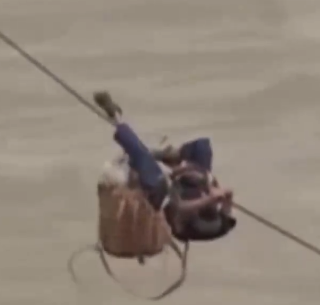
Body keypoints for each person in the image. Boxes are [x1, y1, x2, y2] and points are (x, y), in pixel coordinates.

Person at [93, 91, 237, 242]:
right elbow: (227, 197)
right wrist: (220, 191)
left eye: (212, 205)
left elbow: (179, 207)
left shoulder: (190, 227)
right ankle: (172, 155)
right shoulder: (222, 224)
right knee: (202, 146)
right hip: (191, 186)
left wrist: (206, 197)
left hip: (166, 195)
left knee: (144, 159)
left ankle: (117, 118)